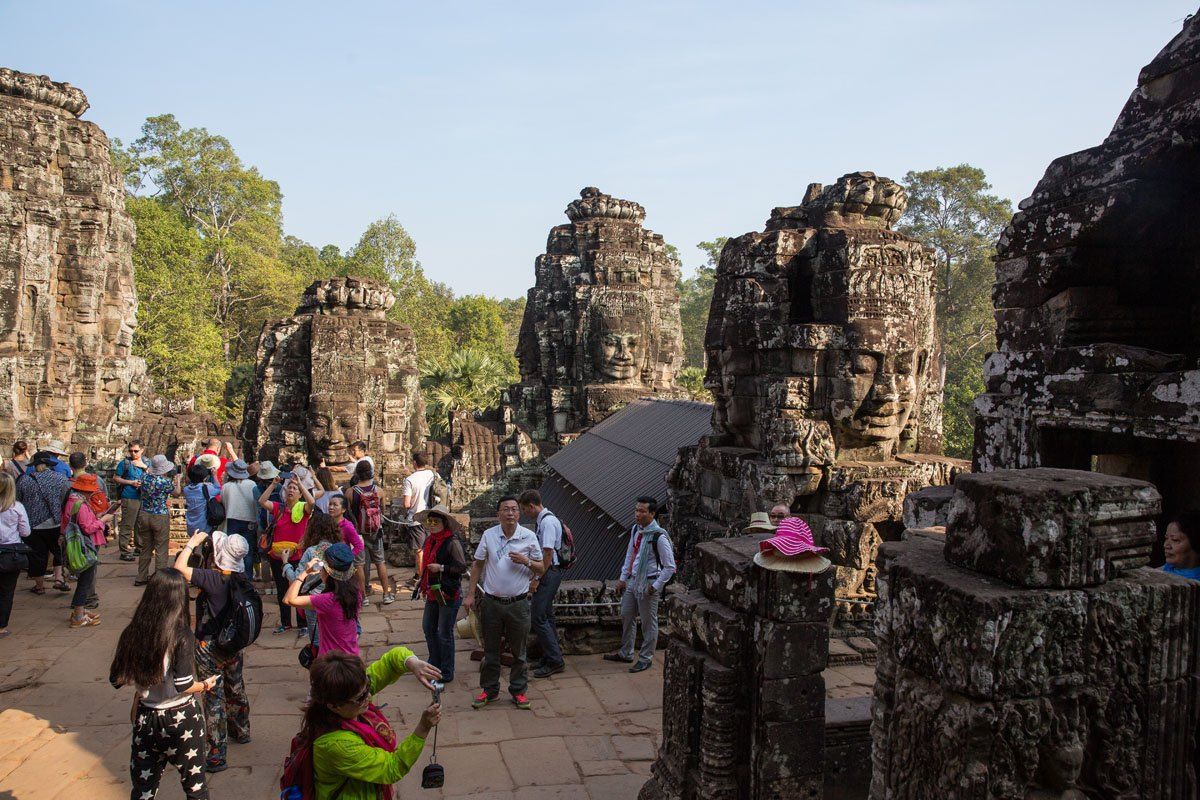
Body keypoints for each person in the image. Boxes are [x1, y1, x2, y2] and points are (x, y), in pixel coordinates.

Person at [109, 568, 219, 799]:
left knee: (143, 788)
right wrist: (205, 685)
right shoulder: (181, 634)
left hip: (146, 716)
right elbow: (183, 684)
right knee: (196, 786)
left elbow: (116, 679)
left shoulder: (133, 631)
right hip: (181, 716)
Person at [300, 648, 442, 800]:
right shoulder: (336, 745)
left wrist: (413, 663)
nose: (368, 696)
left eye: (368, 687)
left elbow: (391, 661)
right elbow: (391, 768)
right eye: (360, 697)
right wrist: (423, 728)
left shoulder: (353, 692)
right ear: (334, 705)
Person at [173, 529, 253, 773]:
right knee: (235, 686)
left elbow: (178, 570)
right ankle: (241, 730)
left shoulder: (212, 578)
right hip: (233, 645)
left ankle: (216, 754)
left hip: (209, 647)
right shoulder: (242, 578)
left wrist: (191, 544)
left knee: (213, 697)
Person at [464, 496, 544, 710]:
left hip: (518, 603)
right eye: (505, 509)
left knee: (519, 652)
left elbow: (541, 568)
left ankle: (518, 691)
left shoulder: (528, 536)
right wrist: (471, 594)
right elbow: (478, 564)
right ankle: (489, 690)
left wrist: (526, 561)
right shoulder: (490, 535)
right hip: (492, 602)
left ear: (519, 513)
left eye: (514, 509)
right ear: (498, 513)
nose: (510, 513)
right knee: (490, 651)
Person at [604, 496, 677, 673]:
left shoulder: (658, 537)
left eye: (642, 511)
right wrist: (623, 577)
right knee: (626, 614)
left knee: (648, 622)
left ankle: (646, 658)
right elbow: (631, 554)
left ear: (652, 514)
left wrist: (656, 586)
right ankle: (626, 652)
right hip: (634, 580)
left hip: (649, 582)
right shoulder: (637, 530)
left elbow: (670, 567)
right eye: (636, 510)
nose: (637, 514)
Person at [414, 505, 466, 683]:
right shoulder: (430, 541)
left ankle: (446, 670)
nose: (432, 525)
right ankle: (433, 663)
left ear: (445, 523)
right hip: (433, 591)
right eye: (430, 521)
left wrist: (441, 568)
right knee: (428, 628)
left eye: (436, 522)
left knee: (444, 632)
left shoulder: (452, 542)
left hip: (448, 593)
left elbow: (461, 568)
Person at [518, 490, 566, 678]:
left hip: (548, 573)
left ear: (532, 506)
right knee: (547, 616)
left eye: (524, 509)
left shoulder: (547, 522)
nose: (525, 513)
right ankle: (551, 654)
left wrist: (537, 578)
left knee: (537, 617)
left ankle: (555, 660)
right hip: (549, 572)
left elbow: (547, 555)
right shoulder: (545, 520)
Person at [259, 474, 315, 633]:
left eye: (294, 488)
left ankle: (303, 624)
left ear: (299, 494)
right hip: (277, 555)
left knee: (299, 589)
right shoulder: (279, 507)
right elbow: (262, 502)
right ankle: (285, 622)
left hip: (297, 556)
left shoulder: (303, 508)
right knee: (282, 589)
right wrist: (273, 484)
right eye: (289, 487)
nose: (291, 490)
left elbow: (312, 502)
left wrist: (301, 484)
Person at [284, 542, 362, 658]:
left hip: (330, 661)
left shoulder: (326, 600)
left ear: (327, 572)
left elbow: (289, 599)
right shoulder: (356, 593)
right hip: (352, 657)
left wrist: (304, 573)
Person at [63, 473, 112, 627]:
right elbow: (87, 527)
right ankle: (78, 616)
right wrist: (102, 521)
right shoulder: (80, 504)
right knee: (85, 581)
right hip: (85, 546)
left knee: (83, 579)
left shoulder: (71, 501)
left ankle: (80, 610)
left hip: (75, 544)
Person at [19, 451, 71, 595]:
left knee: (37, 555)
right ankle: (59, 578)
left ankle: (39, 586)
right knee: (57, 550)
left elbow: (19, 500)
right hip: (55, 522)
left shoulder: (25, 480)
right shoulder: (60, 479)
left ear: (34, 465)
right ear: (49, 464)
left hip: (33, 524)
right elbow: (66, 499)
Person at [347, 460, 394, 605]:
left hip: (357, 534)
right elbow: (383, 512)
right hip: (375, 533)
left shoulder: (350, 492)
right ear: (371, 473)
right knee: (380, 562)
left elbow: (347, 513)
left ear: (357, 474)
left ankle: (364, 597)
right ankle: (386, 594)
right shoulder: (379, 491)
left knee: (359, 565)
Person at [137, 455, 182, 587]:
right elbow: (177, 493)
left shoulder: (144, 478)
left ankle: (141, 576)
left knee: (146, 547)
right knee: (161, 548)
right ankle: (159, 578)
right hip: (160, 515)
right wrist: (178, 480)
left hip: (144, 514)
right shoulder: (165, 482)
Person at [0, 472, 31, 638]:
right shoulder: (16, 507)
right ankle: (1, 626)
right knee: (7, 591)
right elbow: (25, 532)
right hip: (11, 552)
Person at [221, 459, 260, 574]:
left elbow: (223, 503)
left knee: (231, 549)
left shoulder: (226, 486)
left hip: (232, 520)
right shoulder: (252, 484)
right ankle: (247, 577)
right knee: (247, 550)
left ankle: (233, 575)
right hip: (249, 521)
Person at [328, 494, 368, 605]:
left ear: (343, 509)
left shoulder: (347, 526)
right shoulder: (328, 523)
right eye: (330, 504)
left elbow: (359, 545)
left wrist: (347, 557)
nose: (331, 507)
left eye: (335, 505)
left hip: (342, 566)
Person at [112, 440, 148, 562]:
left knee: (141, 525)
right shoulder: (125, 463)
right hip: (129, 496)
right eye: (131, 451)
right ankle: (124, 550)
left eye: (136, 451)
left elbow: (155, 476)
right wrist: (130, 482)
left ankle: (140, 547)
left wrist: (144, 467)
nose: (133, 453)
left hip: (143, 497)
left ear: (142, 450)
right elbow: (116, 478)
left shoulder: (147, 462)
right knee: (127, 524)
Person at [182, 463, 221, 536]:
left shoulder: (186, 489)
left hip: (191, 525)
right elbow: (218, 489)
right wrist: (214, 475)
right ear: (205, 478)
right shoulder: (206, 488)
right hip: (204, 526)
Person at [1163, 511, 1200, 581]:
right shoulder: (1167, 567)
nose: (1166, 545)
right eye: (1166, 538)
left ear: (1195, 543)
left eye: (1175, 540)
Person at [402, 452, 438, 521]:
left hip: (416, 519)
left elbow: (406, 504)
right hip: (431, 518)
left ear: (414, 463)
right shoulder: (434, 475)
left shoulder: (409, 480)